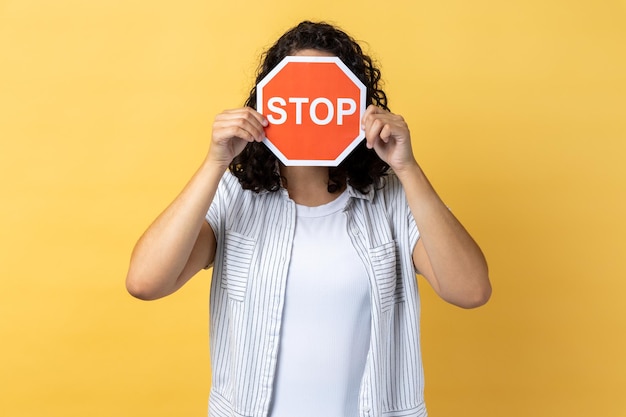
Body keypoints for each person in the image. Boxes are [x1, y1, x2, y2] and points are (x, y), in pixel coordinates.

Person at [126, 21, 491, 417]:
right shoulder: (234, 196)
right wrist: (216, 162)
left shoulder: (393, 198)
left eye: (326, 90)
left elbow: (470, 291)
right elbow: (146, 282)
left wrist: (407, 168)